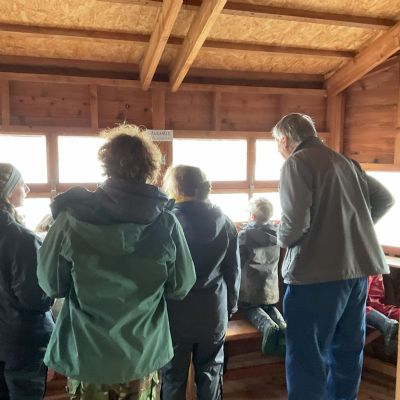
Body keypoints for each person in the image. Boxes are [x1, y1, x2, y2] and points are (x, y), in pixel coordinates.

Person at [37, 124, 196, 400]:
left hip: (87, 353)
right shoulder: (166, 222)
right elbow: (181, 285)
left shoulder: (70, 219)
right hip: (142, 352)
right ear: (151, 168)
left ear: (106, 165)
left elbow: (52, 285)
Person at [272, 113, 394, 400]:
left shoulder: (297, 163)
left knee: (307, 354)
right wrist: (353, 228)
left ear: (285, 140)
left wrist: (281, 238)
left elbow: (293, 226)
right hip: (358, 270)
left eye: (277, 144)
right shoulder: (345, 162)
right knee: (348, 350)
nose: (279, 150)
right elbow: (384, 198)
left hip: (315, 274)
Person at [161, 165, 240, 400]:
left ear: (174, 188)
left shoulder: (166, 222)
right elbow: (233, 271)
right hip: (213, 310)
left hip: (175, 312)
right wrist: (230, 308)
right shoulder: (225, 221)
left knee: (173, 376)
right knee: (211, 373)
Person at [0, 163, 53, 400]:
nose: (28, 189)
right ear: (8, 192)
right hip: (22, 343)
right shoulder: (22, 239)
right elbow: (36, 299)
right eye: (22, 184)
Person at [238, 197, 286, 356]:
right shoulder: (277, 233)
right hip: (271, 286)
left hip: (250, 287)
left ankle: (267, 326)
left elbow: (238, 261)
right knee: (269, 307)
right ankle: (282, 325)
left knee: (251, 308)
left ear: (252, 216)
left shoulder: (246, 235)